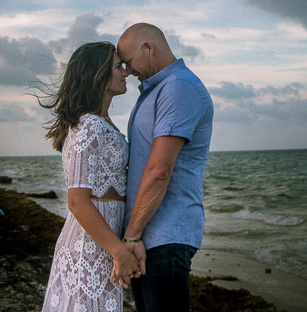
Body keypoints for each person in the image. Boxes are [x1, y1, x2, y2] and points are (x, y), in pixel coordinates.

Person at [39, 42, 146, 312]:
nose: (125, 72)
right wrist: (118, 250)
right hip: (89, 243)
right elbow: (77, 201)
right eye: (117, 66)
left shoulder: (103, 122)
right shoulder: (88, 125)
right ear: (98, 74)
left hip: (104, 238)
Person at [115, 23, 214, 312]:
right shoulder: (155, 91)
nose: (128, 71)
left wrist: (131, 236)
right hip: (149, 235)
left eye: (128, 62)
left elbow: (160, 169)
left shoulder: (179, 88)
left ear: (148, 48)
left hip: (165, 236)